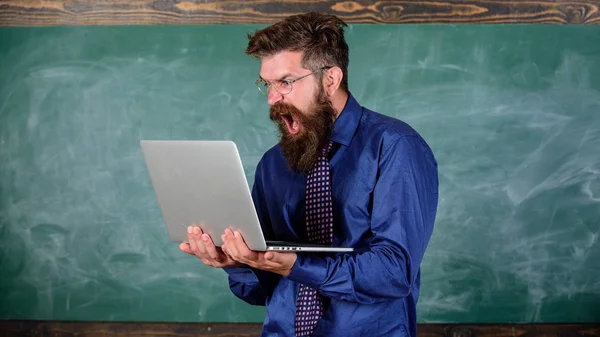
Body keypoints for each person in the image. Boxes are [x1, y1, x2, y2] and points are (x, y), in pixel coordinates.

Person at [180, 12, 439, 337]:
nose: (273, 99)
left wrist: (295, 264)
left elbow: (393, 272)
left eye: (286, 82)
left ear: (330, 79)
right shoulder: (273, 164)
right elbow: (262, 291)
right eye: (267, 84)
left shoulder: (395, 147)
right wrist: (238, 263)